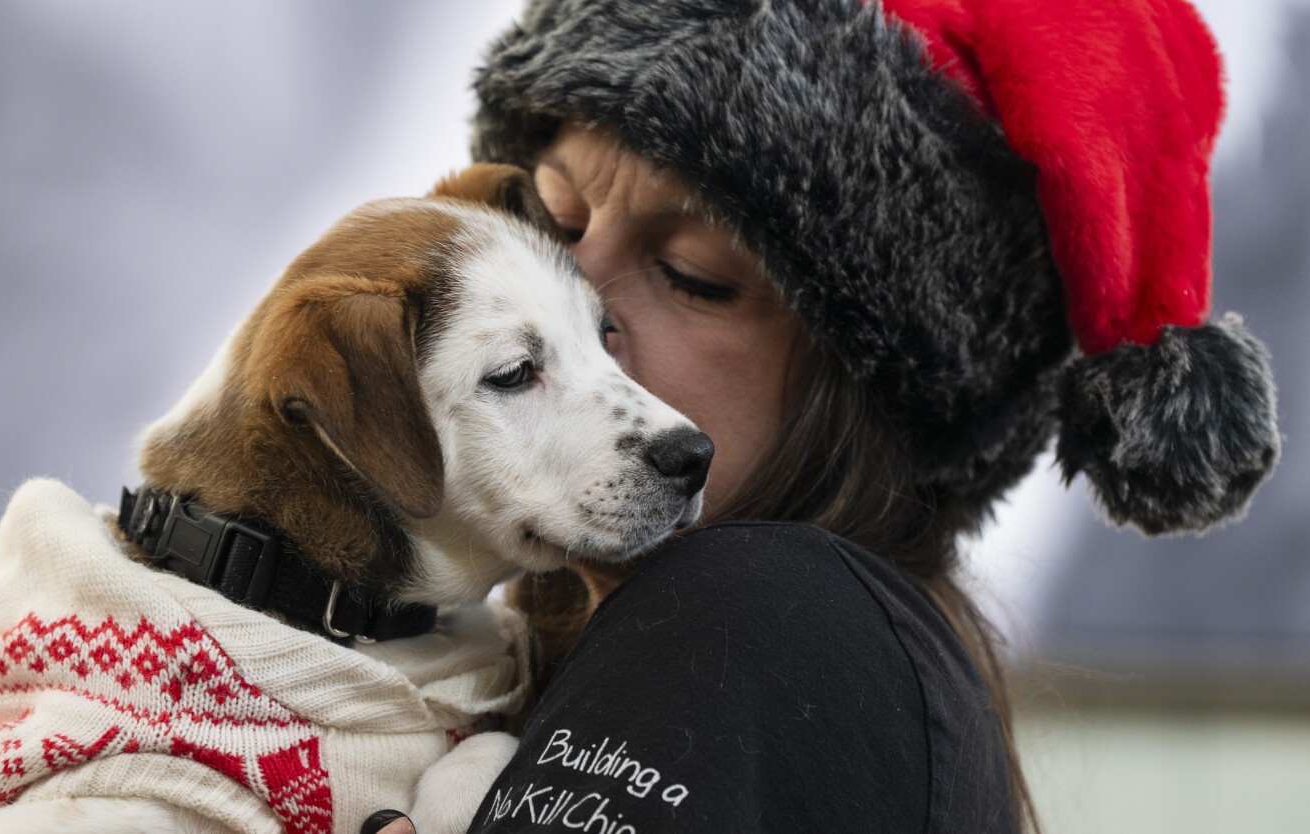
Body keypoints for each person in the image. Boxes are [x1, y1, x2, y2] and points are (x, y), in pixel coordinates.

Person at [365, 0, 1282, 831]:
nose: (570, 297)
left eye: (693, 276)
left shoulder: (754, 609)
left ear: (861, 394)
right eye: (551, 220)